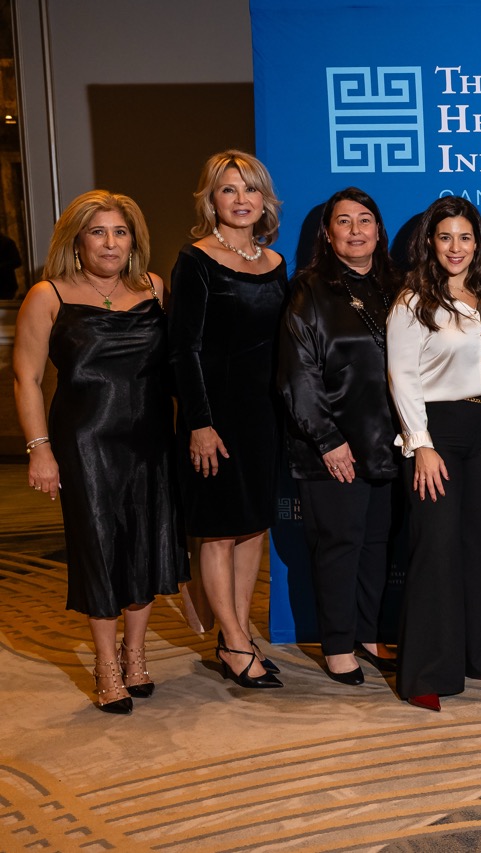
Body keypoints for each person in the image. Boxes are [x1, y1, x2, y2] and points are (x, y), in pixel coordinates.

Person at [14, 190, 186, 713]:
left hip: (151, 440)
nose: (110, 243)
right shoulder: (48, 295)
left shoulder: (154, 287)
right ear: (77, 240)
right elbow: (26, 378)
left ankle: (136, 656)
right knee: (100, 548)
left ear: (133, 240)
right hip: (84, 442)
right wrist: (39, 450)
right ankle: (107, 664)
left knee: (146, 543)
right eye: (98, 232)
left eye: (120, 232)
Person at [169, 150, 288, 689]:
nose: (241, 200)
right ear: (211, 199)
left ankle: (236, 636)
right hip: (213, 418)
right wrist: (199, 422)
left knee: (252, 526)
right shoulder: (195, 260)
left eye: (251, 189)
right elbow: (183, 349)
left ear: (264, 199)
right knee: (218, 531)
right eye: (229, 190)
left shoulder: (275, 263)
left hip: (263, 417)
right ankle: (235, 642)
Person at [278, 187, 402, 685]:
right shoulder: (309, 290)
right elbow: (298, 375)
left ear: (379, 230)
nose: (355, 230)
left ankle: (367, 634)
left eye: (365, 220)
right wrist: (328, 440)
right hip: (331, 446)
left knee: (376, 545)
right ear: (327, 235)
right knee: (339, 546)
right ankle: (336, 645)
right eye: (344, 221)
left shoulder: (397, 285)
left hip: (388, 442)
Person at [387, 197, 481, 712]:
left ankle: (477, 654)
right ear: (430, 243)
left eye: (465, 237)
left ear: (478, 243)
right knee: (435, 552)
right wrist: (422, 445)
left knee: (479, 547)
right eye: (445, 237)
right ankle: (424, 675)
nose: (456, 248)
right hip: (438, 434)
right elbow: (402, 377)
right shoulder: (413, 301)